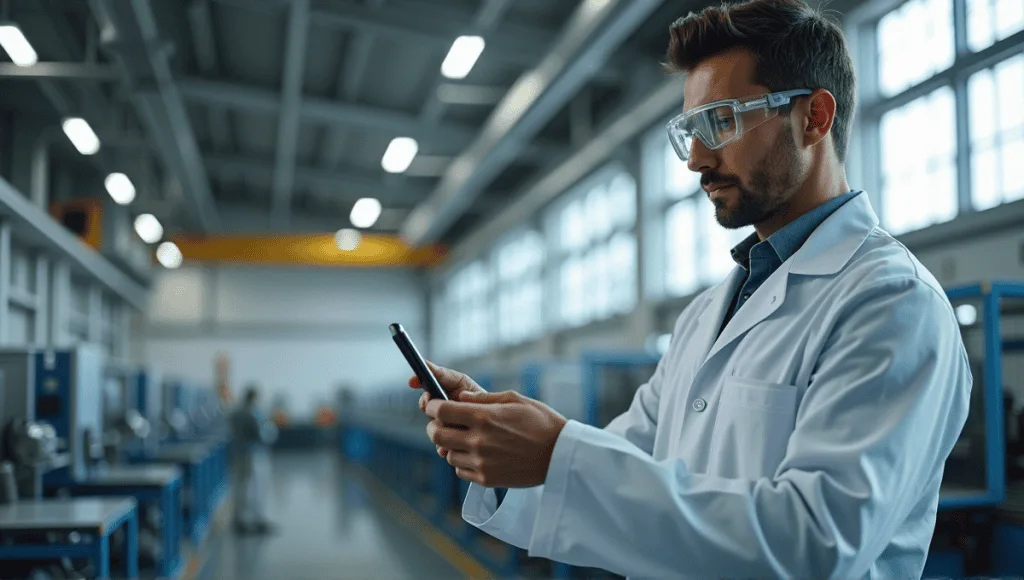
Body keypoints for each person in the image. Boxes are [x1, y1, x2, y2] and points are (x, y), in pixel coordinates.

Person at [409, 0, 972, 577]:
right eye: (690, 131)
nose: (697, 160)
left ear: (814, 117)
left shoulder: (891, 304)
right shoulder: (708, 312)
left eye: (722, 121)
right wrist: (511, 444)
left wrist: (558, 453)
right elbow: (631, 461)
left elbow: (814, 545)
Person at [230, 385, 278, 534]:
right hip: (255, 455)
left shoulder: (236, 412)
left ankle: (241, 520)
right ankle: (256, 521)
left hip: (239, 453)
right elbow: (264, 433)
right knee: (256, 489)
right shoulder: (255, 413)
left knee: (242, 488)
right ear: (255, 397)